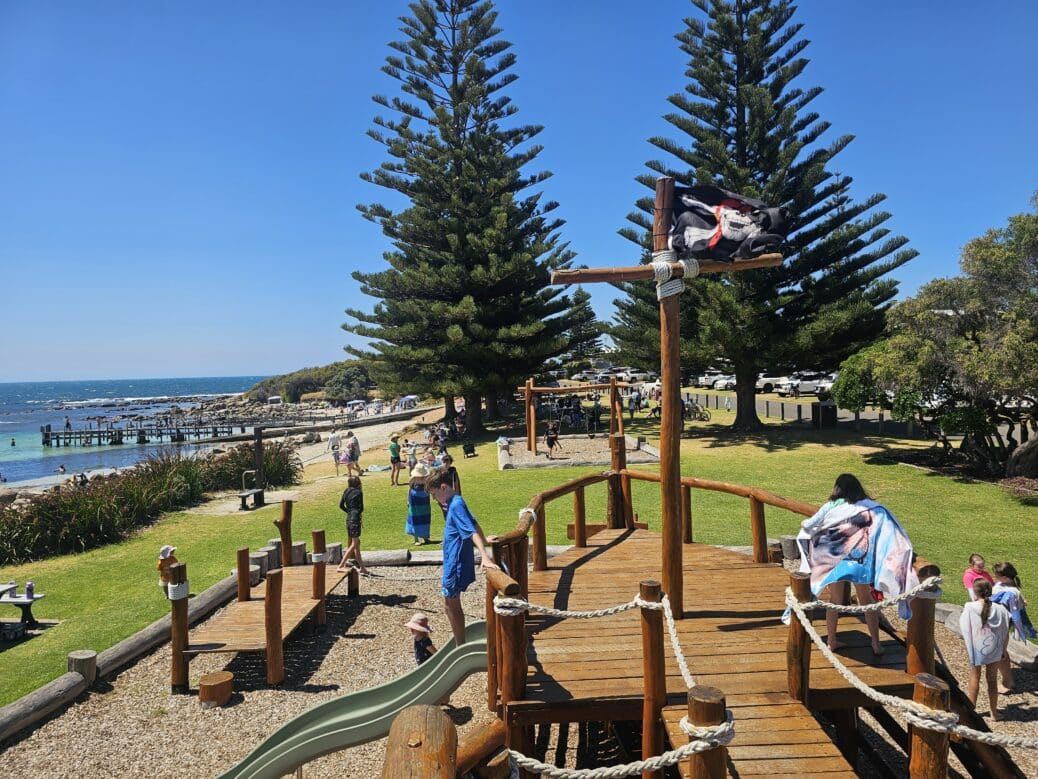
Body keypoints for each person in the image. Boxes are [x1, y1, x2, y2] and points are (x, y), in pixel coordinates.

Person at [795, 474, 918, 655]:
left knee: (835, 600)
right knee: (866, 600)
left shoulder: (831, 506)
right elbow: (887, 527)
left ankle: (831, 641)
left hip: (834, 561)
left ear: (837, 489)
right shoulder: (871, 507)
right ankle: (876, 644)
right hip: (860, 562)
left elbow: (808, 524)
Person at [426, 469, 499, 646]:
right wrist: (484, 540)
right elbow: (473, 522)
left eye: (434, 494)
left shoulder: (455, 505)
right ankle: (460, 642)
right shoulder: (456, 500)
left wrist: (484, 556)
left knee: (451, 605)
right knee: (448, 603)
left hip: (455, 562)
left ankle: (461, 645)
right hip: (452, 559)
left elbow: (471, 531)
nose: (434, 499)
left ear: (443, 487)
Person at [960, 578, 1011, 720]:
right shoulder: (1001, 609)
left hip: (976, 649)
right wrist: (1003, 650)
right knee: (992, 680)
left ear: (975, 592)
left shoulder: (970, 607)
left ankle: (970, 712)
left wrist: (970, 647)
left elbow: (965, 628)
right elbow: (1005, 631)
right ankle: (994, 713)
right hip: (995, 649)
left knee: (974, 678)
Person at [337, 476, 367, 573]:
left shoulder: (346, 491)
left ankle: (362, 568)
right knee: (355, 544)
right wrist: (356, 514)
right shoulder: (359, 492)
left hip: (349, 519)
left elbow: (341, 505)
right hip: (355, 520)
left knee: (357, 544)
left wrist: (349, 512)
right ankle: (341, 565)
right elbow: (361, 508)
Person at [406, 464, 432, 545]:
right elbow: (410, 489)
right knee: (415, 517)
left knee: (425, 517)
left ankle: (425, 537)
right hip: (415, 500)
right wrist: (408, 500)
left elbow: (429, 488)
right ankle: (416, 539)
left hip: (425, 499)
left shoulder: (427, 478)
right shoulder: (413, 478)